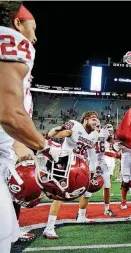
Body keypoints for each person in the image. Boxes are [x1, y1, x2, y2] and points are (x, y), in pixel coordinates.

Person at [0, 3, 59, 251]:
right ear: (17, 24)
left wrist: (17, 143)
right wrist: (47, 148)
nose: (34, 37)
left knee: (8, 230)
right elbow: (10, 113)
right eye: (32, 28)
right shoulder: (12, 41)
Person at [43, 112, 100, 239]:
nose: (96, 123)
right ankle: (49, 228)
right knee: (61, 193)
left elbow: (92, 153)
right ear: (86, 119)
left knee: (87, 192)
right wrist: (55, 129)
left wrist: (93, 170)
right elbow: (52, 135)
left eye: (97, 121)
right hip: (66, 161)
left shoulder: (94, 135)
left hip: (81, 164)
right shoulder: (75, 126)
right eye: (94, 120)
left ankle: (81, 216)